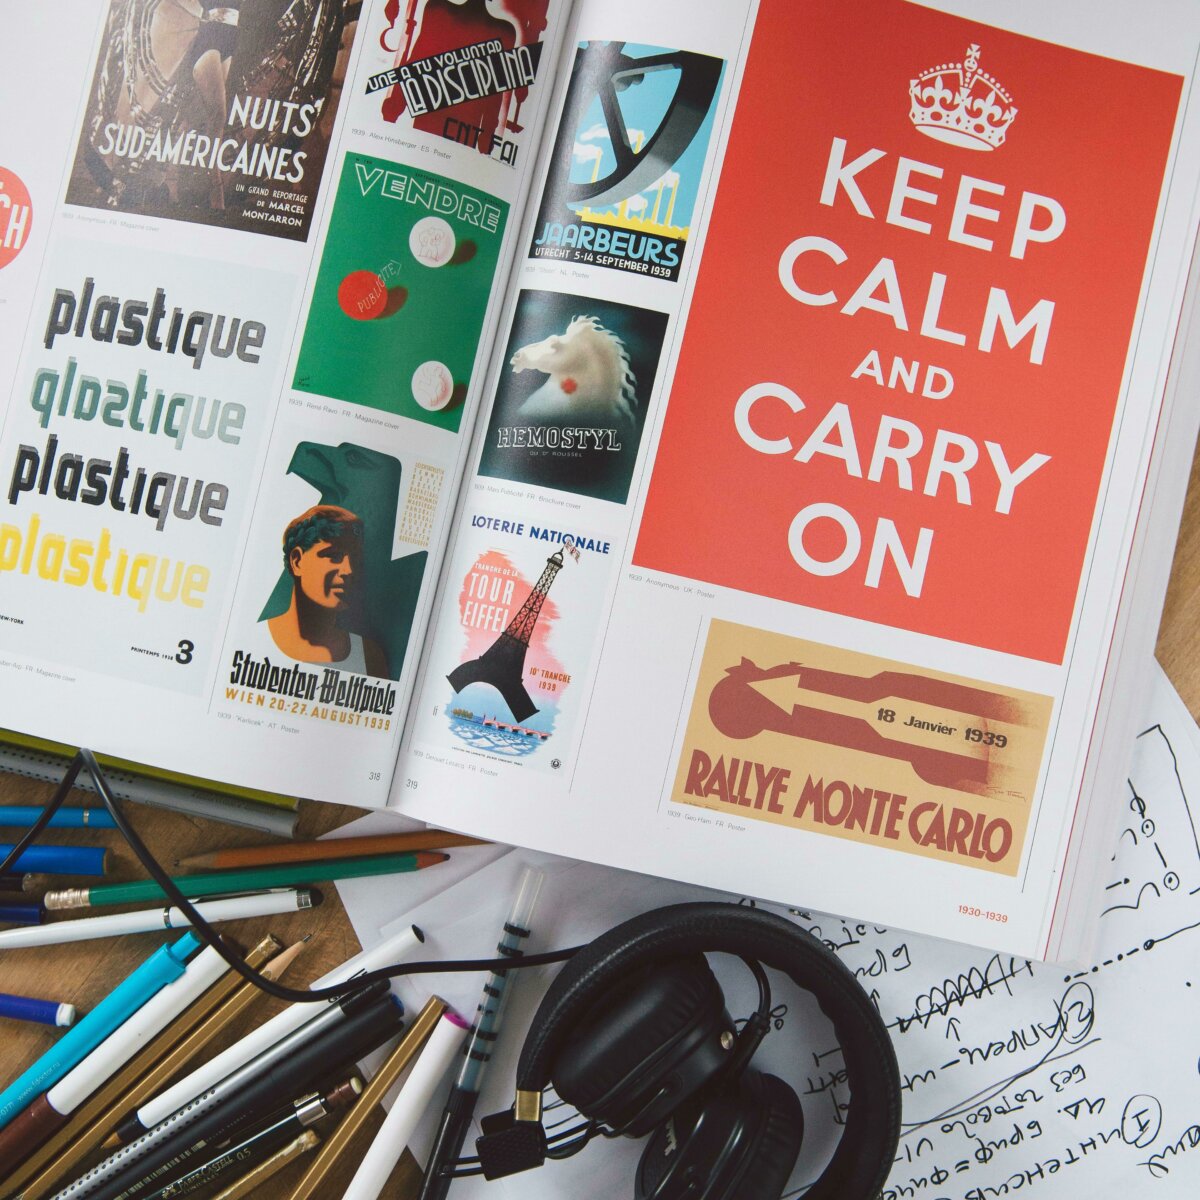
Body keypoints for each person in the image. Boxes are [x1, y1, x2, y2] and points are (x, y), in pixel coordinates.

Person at [266, 505, 388, 676]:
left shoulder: (369, 656)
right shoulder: (253, 638)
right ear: (297, 561)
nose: (349, 570)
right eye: (335, 555)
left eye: (356, 560)